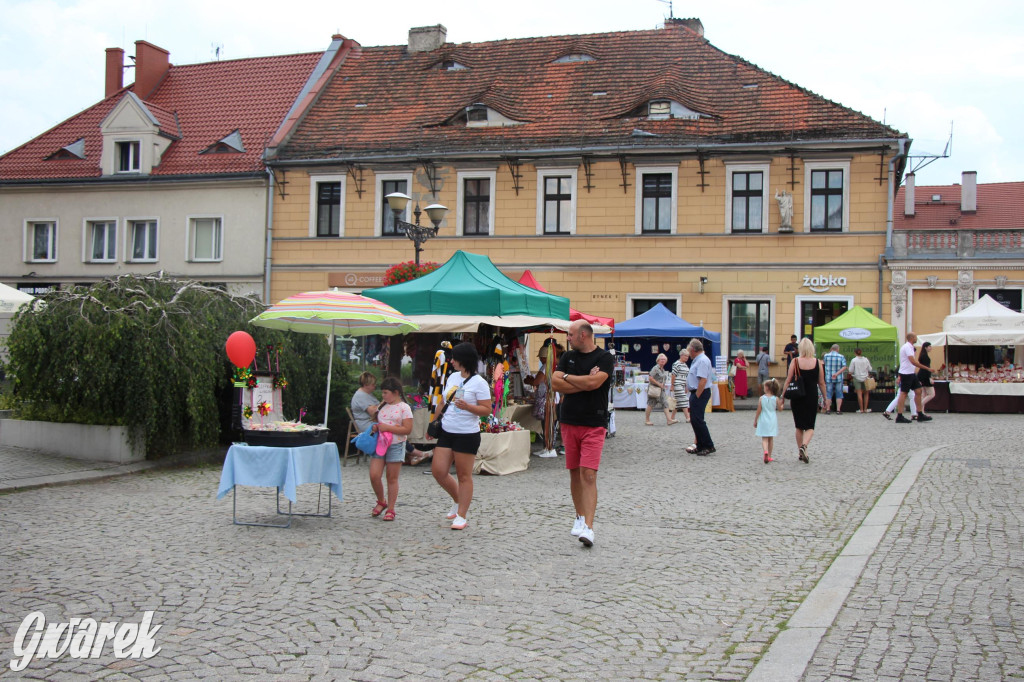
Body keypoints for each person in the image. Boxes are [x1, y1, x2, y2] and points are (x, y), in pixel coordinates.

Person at [551, 320, 614, 548]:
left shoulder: (605, 358)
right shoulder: (567, 357)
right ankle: (578, 516)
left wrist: (570, 379)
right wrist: (583, 381)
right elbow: (556, 383)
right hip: (569, 421)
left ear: (584, 335)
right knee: (574, 472)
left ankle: (588, 527)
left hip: (594, 422)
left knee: (588, 474)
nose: (567, 338)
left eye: (570, 334)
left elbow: (595, 382)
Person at [431, 342, 492, 530]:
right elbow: (443, 400)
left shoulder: (479, 382)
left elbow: (487, 409)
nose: (451, 361)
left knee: (463, 475)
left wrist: (469, 407)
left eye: (454, 358)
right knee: (438, 470)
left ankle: (462, 515)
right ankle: (457, 500)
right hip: (447, 430)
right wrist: (432, 422)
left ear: (463, 360)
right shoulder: (452, 377)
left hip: (467, 433)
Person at [367, 377, 413, 521]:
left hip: (396, 444)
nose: (383, 396)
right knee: (374, 475)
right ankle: (381, 500)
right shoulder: (383, 405)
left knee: (391, 478)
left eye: (386, 393)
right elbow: (378, 420)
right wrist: (377, 427)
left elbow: (407, 429)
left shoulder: (404, 408)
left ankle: (391, 508)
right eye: (383, 393)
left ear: (396, 392)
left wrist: (388, 428)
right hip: (381, 443)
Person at [783, 337, 827, 463]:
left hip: (797, 396)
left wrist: (782, 396)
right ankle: (804, 446)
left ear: (800, 348)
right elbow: (822, 382)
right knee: (810, 426)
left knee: (799, 426)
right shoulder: (817, 362)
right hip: (811, 396)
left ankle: (800, 451)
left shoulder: (795, 361)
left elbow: (788, 379)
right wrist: (825, 398)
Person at [884, 332, 932, 423]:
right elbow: (913, 361)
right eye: (915, 337)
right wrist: (927, 368)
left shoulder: (910, 347)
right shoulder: (907, 347)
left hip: (911, 373)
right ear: (912, 338)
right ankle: (900, 415)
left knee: (918, 391)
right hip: (906, 373)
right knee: (903, 393)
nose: (916, 338)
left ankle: (920, 413)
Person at [684, 339, 716, 456]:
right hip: (697, 392)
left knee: (698, 420)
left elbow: (703, 380)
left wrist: (697, 395)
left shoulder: (702, 360)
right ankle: (700, 445)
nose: (689, 354)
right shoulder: (698, 360)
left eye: (689, 351)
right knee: (695, 420)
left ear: (693, 350)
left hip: (700, 393)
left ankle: (708, 445)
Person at [754, 379, 783, 464]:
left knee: (764, 438)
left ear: (767, 388)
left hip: (763, 419)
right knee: (771, 438)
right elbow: (780, 409)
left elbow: (759, 410)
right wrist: (782, 405)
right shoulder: (776, 399)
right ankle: (769, 455)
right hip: (772, 420)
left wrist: (756, 420)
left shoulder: (761, 398)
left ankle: (765, 451)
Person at [645, 353, 676, 426]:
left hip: (661, 390)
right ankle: (647, 420)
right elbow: (650, 378)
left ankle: (669, 420)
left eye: (664, 359)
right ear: (658, 360)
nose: (663, 361)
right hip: (654, 389)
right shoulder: (655, 368)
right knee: (651, 404)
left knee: (665, 403)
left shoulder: (663, 369)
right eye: (661, 359)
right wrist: (659, 384)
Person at [822, 344, 848, 414]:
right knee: (839, 393)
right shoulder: (841, 356)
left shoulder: (826, 356)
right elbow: (844, 366)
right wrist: (837, 374)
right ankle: (838, 410)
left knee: (828, 393)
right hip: (838, 377)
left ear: (831, 349)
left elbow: (823, 364)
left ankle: (828, 409)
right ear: (837, 349)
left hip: (828, 377)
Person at [848, 347, 874, 413]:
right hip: (865, 378)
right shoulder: (866, 360)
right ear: (861, 352)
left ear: (855, 353)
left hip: (857, 378)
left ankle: (861, 409)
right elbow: (870, 369)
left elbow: (850, 370)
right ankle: (865, 409)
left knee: (859, 393)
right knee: (866, 394)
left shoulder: (853, 360)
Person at [670, 348, 691, 423]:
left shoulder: (685, 365)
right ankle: (688, 417)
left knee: (677, 402)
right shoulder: (676, 364)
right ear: (681, 356)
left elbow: (686, 376)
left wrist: (686, 386)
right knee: (684, 399)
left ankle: (671, 418)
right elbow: (673, 375)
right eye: (685, 356)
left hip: (682, 384)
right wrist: (672, 385)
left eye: (688, 356)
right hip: (677, 384)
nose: (687, 358)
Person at [917, 341, 935, 419]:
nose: (931, 348)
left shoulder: (922, 355)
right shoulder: (925, 356)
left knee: (923, 394)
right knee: (931, 394)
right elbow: (926, 368)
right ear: (925, 347)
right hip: (925, 376)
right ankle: (919, 407)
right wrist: (929, 377)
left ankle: (922, 412)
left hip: (921, 375)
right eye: (929, 346)